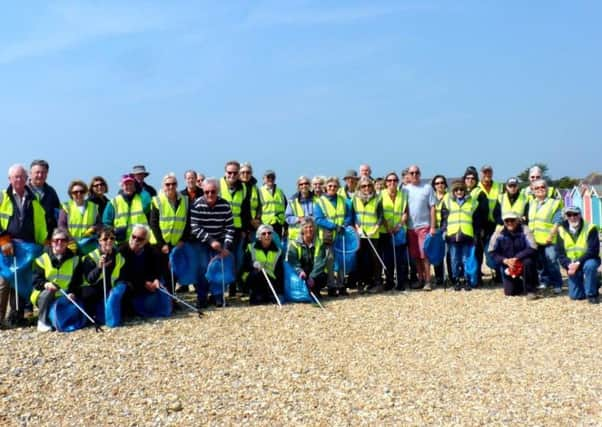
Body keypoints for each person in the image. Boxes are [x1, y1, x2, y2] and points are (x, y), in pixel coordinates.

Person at [0, 164, 49, 326]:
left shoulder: (33, 199)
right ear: (10, 179)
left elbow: (40, 224)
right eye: (16, 177)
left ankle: (16, 317)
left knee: (19, 283)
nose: (19, 180)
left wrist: (44, 242)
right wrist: (3, 239)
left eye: (22, 176)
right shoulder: (2, 197)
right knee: (4, 282)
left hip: (27, 248)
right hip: (6, 247)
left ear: (26, 178)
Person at [190, 178, 235, 307]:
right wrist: (210, 241)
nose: (210, 194)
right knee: (203, 266)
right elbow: (195, 228)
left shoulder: (225, 205)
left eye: (213, 191)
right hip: (202, 241)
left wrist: (226, 247)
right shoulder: (196, 205)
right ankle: (202, 297)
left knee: (220, 267)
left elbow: (230, 228)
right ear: (203, 191)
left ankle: (218, 296)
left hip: (220, 240)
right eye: (207, 192)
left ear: (218, 192)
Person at [31, 228, 83, 332]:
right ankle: (42, 321)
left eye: (63, 240)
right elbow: (36, 281)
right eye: (56, 240)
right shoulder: (41, 259)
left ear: (67, 242)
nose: (59, 242)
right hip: (45, 296)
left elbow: (77, 281)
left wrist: (73, 292)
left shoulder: (75, 259)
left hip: (65, 296)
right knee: (48, 293)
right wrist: (46, 284)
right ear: (51, 242)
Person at [118, 224, 170, 321]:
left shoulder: (151, 251)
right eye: (133, 236)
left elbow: (156, 269)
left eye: (140, 239)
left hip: (147, 284)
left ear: (146, 241)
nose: (135, 240)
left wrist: (156, 279)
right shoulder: (121, 250)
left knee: (161, 286)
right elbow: (124, 274)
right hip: (131, 284)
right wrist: (143, 283)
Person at [149, 173, 189, 295]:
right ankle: (163, 299)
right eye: (168, 184)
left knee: (173, 273)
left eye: (173, 184)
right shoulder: (157, 200)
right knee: (160, 272)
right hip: (159, 244)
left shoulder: (185, 200)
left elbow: (188, 222)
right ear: (163, 186)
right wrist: (162, 244)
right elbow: (154, 224)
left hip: (176, 243)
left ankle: (171, 298)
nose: (170, 187)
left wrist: (183, 239)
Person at [314, 176, 352, 296]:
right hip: (327, 236)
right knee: (329, 261)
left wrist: (344, 225)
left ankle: (341, 285)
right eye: (330, 186)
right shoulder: (320, 202)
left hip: (341, 235)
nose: (332, 188)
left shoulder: (343, 200)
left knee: (341, 261)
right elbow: (318, 219)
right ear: (326, 187)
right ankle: (331, 286)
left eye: (335, 186)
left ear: (338, 187)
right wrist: (334, 226)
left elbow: (348, 216)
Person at [440, 180, 481, 291]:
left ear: (465, 190)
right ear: (453, 191)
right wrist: (443, 230)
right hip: (452, 235)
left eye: (461, 189)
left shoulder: (473, 202)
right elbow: (444, 218)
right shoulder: (448, 202)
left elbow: (476, 221)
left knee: (467, 259)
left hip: (467, 234)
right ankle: (456, 279)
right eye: (456, 190)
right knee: (454, 259)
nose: (459, 192)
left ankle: (467, 280)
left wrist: (477, 234)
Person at [218, 160, 251, 295]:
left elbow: (245, 211)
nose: (232, 175)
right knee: (223, 258)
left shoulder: (243, 188)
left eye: (235, 173)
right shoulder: (218, 185)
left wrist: (245, 230)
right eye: (229, 172)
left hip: (237, 230)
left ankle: (233, 286)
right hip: (221, 229)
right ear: (225, 173)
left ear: (238, 174)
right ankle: (222, 287)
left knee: (238, 259)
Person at [488, 211, 538, 298]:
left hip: (522, 260)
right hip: (507, 263)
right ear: (504, 222)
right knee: (510, 292)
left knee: (528, 262)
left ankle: (530, 290)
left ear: (518, 220)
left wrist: (517, 258)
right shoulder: (498, 232)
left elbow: (533, 247)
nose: (510, 223)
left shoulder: (525, 229)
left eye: (512, 220)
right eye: (507, 221)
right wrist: (504, 260)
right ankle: (519, 283)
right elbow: (492, 251)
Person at [80, 227, 126, 322]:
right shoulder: (91, 257)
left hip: (108, 290)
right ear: (99, 241)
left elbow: (121, 274)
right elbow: (90, 279)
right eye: (105, 239)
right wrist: (99, 268)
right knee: (102, 318)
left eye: (112, 238)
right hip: (92, 291)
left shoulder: (118, 256)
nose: (109, 241)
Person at [557, 206, 601, 304]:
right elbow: (560, 254)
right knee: (576, 296)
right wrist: (568, 265)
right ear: (566, 216)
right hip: (571, 263)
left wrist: (578, 263)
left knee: (590, 266)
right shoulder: (561, 230)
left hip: (587, 260)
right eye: (569, 215)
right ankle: (593, 281)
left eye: (575, 214)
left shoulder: (590, 228)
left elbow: (593, 250)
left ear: (580, 215)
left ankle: (592, 294)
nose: (572, 217)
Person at [527, 179, 563, 294]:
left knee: (552, 261)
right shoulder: (532, 203)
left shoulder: (554, 203)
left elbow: (558, 221)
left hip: (549, 239)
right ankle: (545, 281)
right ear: (532, 190)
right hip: (535, 239)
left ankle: (557, 283)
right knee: (540, 262)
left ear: (547, 188)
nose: (540, 190)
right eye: (536, 188)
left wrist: (551, 236)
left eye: (542, 187)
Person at [404, 165, 436, 289]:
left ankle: (428, 280)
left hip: (424, 226)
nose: (414, 175)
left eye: (416, 172)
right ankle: (420, 279)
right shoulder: (405, 189)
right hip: (411, 228)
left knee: (425, 255)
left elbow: (432, 207)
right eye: (412, 173)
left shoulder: (427, 188)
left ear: (420, 173)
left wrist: (432, 226)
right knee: (415, 255)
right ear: (408, 175)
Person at [351, 176, 383, 293]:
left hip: (372, 234)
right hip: (360, 234)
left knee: (375, 260)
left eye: (369, 185)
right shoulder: (355, 199)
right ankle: (363, 282)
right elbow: (354, 214)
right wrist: (357, 227)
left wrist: (375, 228)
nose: (366, 188)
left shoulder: (377, 199)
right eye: (363, 186)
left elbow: (380, 216)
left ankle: (378, 283)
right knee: (361, 259)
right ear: (360, 187)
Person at [379, 172, 409, 291]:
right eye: (389, 180)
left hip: (399, 230)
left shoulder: (403, 195)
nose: (392, 183)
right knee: (387, 258)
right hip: (385, 231)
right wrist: (387, 227)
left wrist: (399, 225)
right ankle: (389, 281)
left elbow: (405, 212)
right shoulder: (380, 195)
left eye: (394, 180)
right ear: (386, 183)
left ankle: (401, 282)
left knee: (400, 258)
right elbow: (380, 213)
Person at [242, 224, 284, 305]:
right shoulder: (251, 247)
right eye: (264, 233)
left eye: (269, 233)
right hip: (252, 277)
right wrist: (253, 264)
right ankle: (255, 295)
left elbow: (279, 271)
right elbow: (245, 265)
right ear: (259, 236)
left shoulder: (278, 251)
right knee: (256, 274)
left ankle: (267, 295)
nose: (267, 235)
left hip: (270, 278)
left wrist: (280, 290)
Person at [102, 174, 150, 244]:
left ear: (135, 186)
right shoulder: (113, 202)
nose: (129, 187)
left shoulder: (142, 199)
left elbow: (148, 202)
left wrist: (140, 190)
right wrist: (114, 231)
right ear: (122, 186)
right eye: (126, 184)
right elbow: (106, 223)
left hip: (140, 241)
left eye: (131, 184)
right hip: (121, 242)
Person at [287, 218, 327, 295]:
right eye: (306, 227)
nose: (309, 229)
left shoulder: (319, 243)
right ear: (302, 229)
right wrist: (299, 271)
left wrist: (312, 277)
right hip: (301, 272)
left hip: (312, 272)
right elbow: (292, 261)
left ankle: (314, 290)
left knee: (323, 276)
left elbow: (320, 263)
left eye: (311, 227)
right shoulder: (294, 243)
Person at [463, 166, 489, 286]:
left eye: (473, 178)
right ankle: (465, 277)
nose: (470, 180)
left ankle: (477, 278)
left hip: (476, 229)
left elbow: (485, 212)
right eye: (467, 178)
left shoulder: (480, 193)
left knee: (477, 254)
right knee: (465, 254)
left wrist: (482, 228)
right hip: (463, 228)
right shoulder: (460, 191)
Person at [58, 180, 101, 245]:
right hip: (71, 245)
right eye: (75, 192)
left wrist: (94, 228)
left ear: (85, 193)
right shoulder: (66, 207)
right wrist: (71, 240)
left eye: (82, 192)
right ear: (71, 194)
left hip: (89, 244)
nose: (79, 194)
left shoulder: (93, 207)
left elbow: (99, 224)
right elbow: (61, 226)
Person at [28, 159, 61, 233]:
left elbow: (57, 214)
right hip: (27, 238)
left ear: (47, 174)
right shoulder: (23, 191)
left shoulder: (51, 192)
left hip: (47, 238)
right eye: (37, 172)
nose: (40, 175)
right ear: (30, 173)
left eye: (43, 173)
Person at [431, 174, 450, 286]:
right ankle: (439, 277)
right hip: (434, 229)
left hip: (446, 229)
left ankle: (450, 276)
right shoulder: (431, 197)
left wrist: (445, 229)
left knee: (448, 254)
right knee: (437, 254)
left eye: (442, 183)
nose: (440, 185)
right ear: (434, 185)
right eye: (437, 183)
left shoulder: (450, 196)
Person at [285, 176, 315, 242]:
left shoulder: (316, 199)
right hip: (296, 237)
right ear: (298, 187)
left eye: (306, 183)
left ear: (310, 185)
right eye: (301, 184)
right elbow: (287, 217)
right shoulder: (292, 200)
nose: (304, 186)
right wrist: (298, 219)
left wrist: (311, 219)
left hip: (313, 236)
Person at [258, 170, 287, 238]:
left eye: (272, 177)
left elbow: (286, 209)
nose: (270, 179)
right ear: (264, 179)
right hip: (265, 225)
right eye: (268, 177)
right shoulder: (259, 191)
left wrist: (286, 227)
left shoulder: (280, 192)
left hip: (278, 225)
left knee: (277, 247)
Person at [239, 162, 261, 234]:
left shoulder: (255, 188)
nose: (245, 175)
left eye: (248, 172)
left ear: (251, 174)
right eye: (243, 172)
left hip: (254, 226)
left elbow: (259, 206)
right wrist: (250, 220)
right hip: (240, 225)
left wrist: (257, 219)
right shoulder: (237, 187)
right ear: (239, 174)